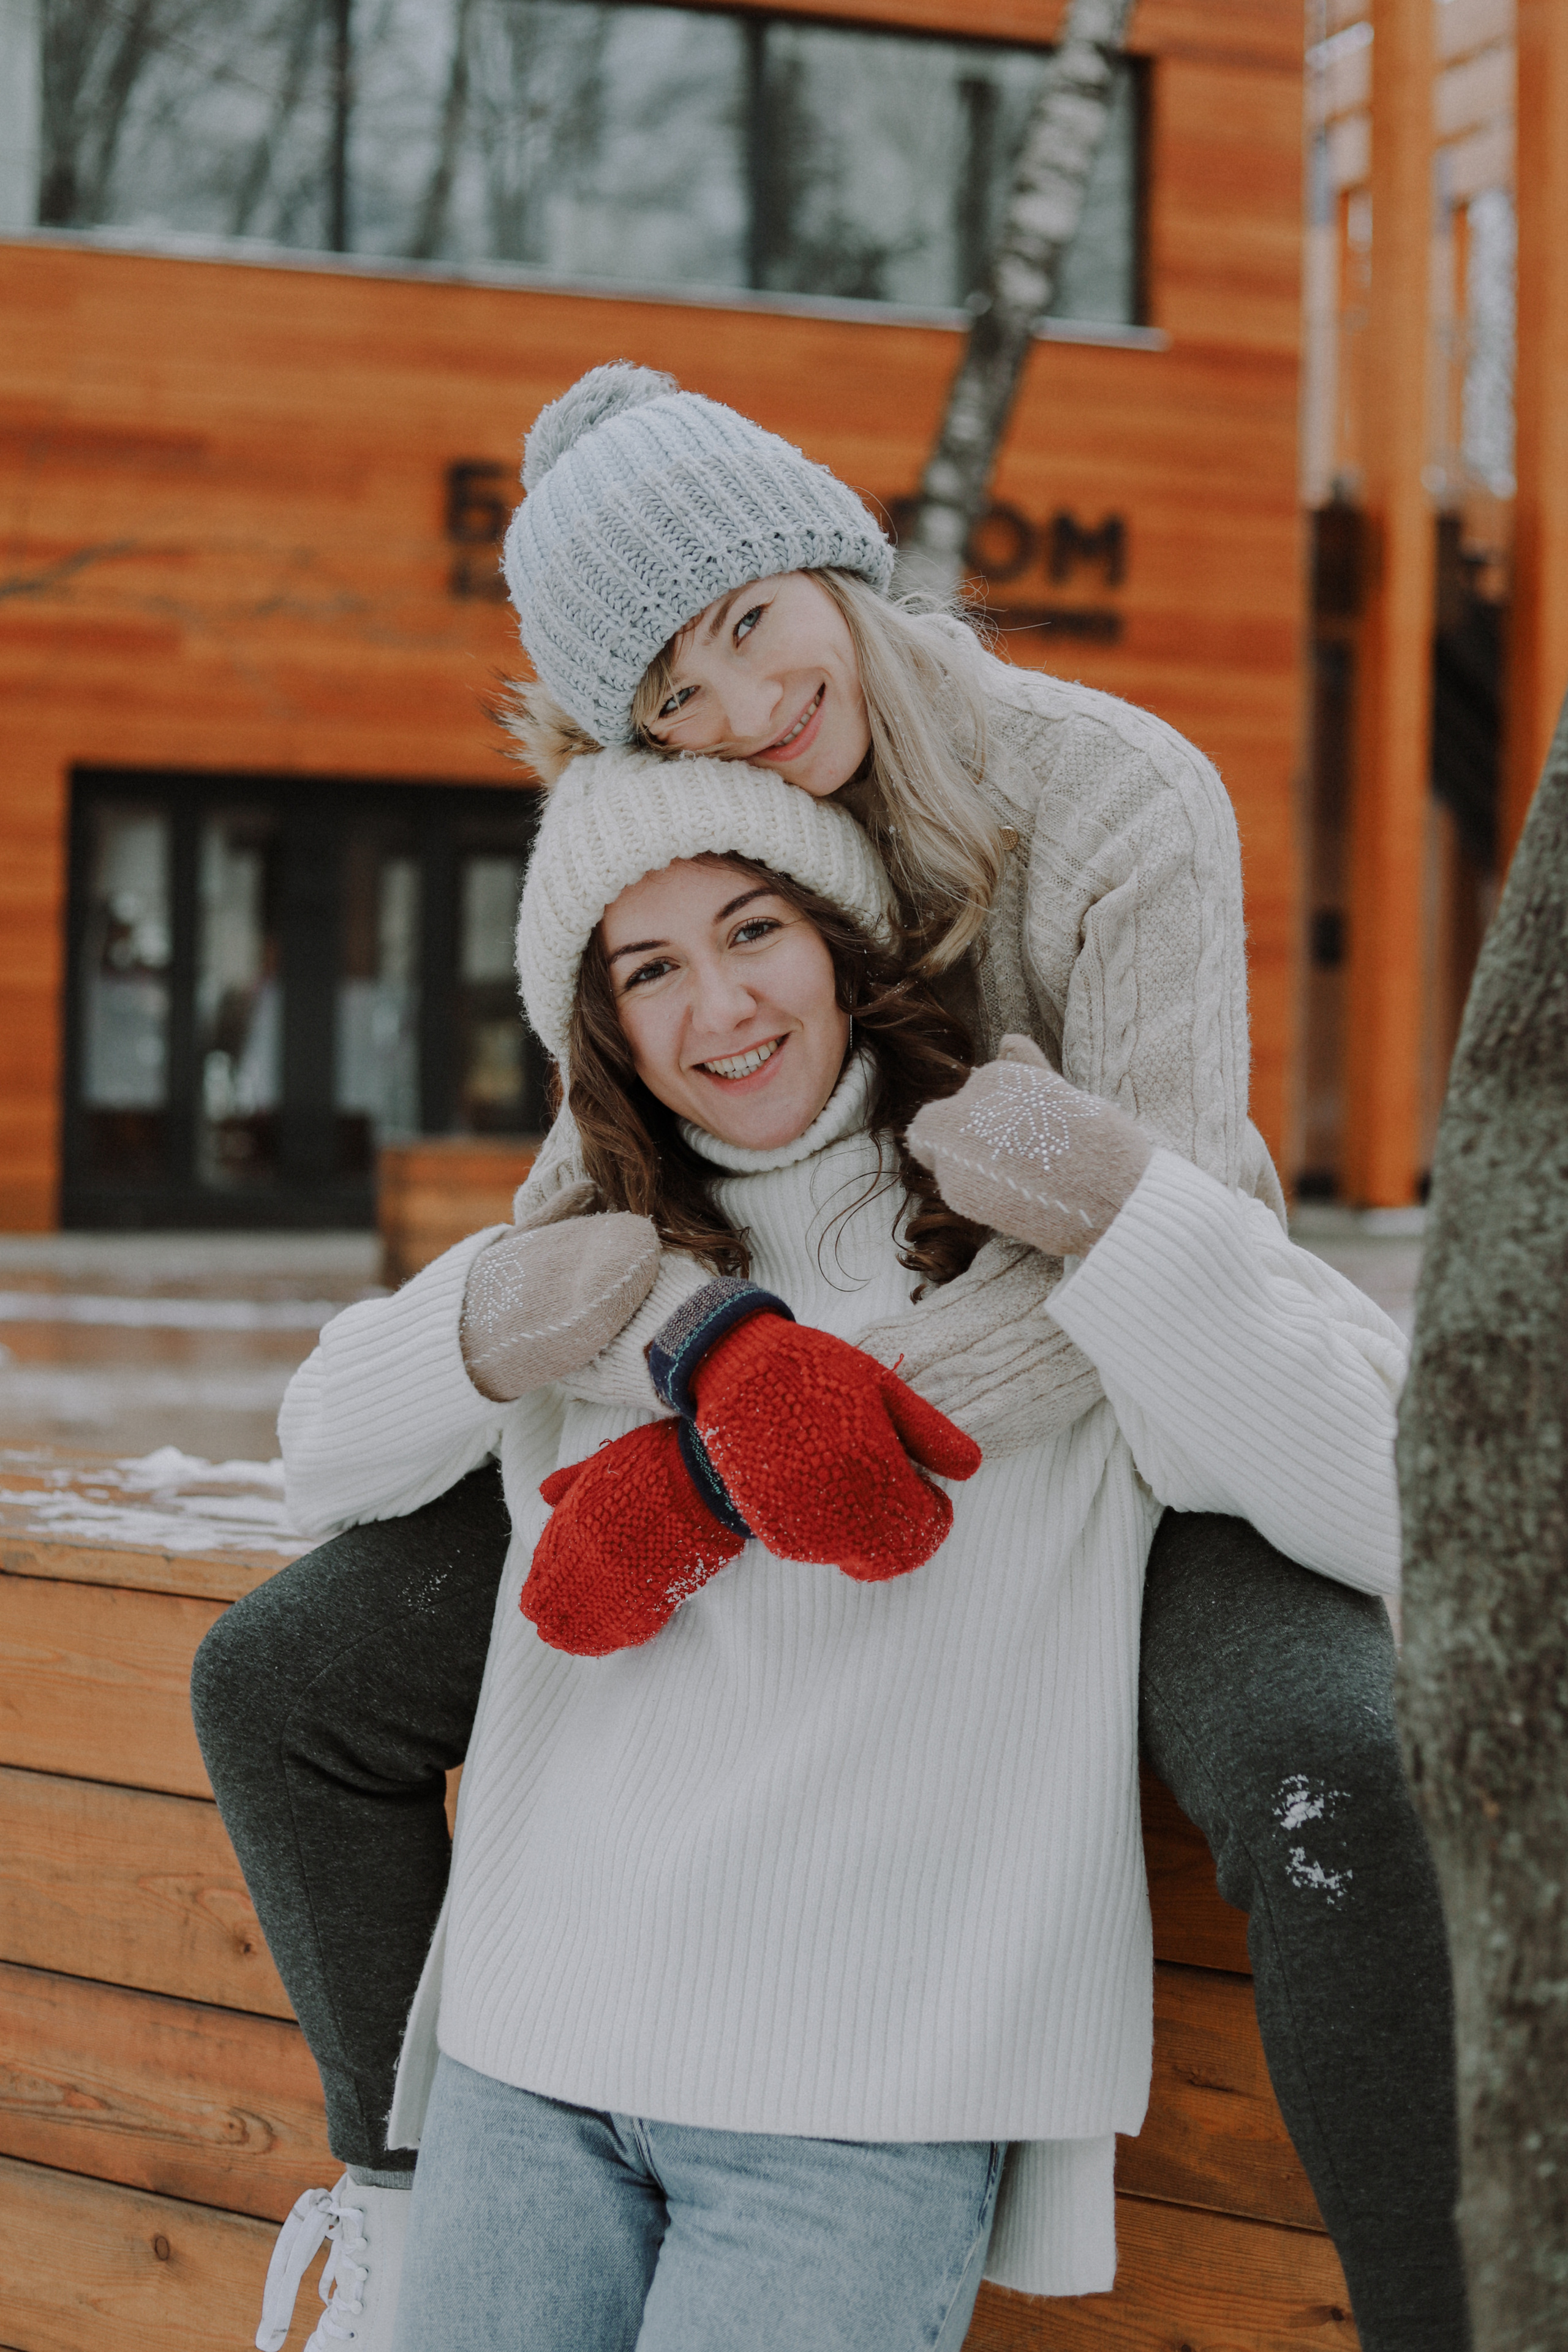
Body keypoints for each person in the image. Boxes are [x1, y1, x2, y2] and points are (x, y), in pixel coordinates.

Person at [197, 364, 1466, 2352]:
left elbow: (1180, 1216)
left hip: (1104, 1394)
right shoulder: (710, 843)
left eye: (747, 627)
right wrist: (709, 1376)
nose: (742, 711)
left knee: (1332, 1758)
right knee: (284, 1669)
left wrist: (799, 1431)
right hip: (778, 1419)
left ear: (827, 560)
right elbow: (596, 1231)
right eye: (672, 697)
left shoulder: (1121, 794)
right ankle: (397, 2181)